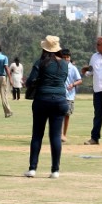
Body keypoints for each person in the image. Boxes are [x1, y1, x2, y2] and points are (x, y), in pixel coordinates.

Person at [26, 35, 69, 178]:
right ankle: (55, 170)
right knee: (55, 136)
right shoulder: (64, 64)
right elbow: (62, 79)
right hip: (60, 100)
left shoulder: (40, 63)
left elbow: (30, 81)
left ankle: (32, 169)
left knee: (37, 135)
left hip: (42, 99)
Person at [60, 49, 82, 142]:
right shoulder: (58, 67)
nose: (66, 59)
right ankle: (60, 134)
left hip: (69, 95)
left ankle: (64, 134)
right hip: (59, 94)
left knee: (67, 115)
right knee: (59, 115)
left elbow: (80, 80)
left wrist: (73, 84)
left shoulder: (72, 68)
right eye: (64, 57)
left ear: (70, 58)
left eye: (67, 57)